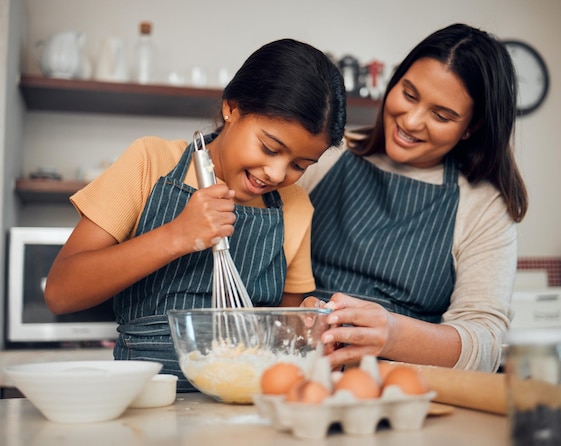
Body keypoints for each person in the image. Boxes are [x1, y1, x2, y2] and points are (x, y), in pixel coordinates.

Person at [44, 38, 346, 391]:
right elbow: (61, 292)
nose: (277, 174)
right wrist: (176, 236)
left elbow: (284, 335)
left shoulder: (294, 207)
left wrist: (307, 323)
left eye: (299, 164)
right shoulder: (150, 162)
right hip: (146, 398)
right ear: (232, 108)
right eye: (269, 147)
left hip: (244, 405)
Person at [298, 23, 528, 373]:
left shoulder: (483, 206)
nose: (411, 121)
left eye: (441, 115)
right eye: (408, 94)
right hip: (300, 373)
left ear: (471, 127)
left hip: (404, 390)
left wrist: (392, 334)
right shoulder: (327, 153)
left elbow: (487, 342)